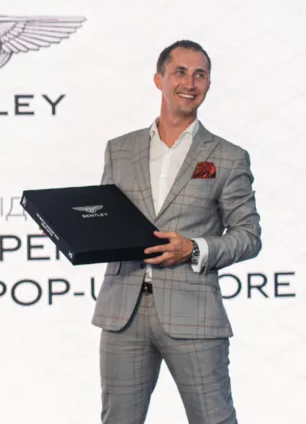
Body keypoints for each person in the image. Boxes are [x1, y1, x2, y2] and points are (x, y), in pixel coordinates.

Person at [92, 40, 261, 424]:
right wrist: (74, 230)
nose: (190, 82)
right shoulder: (119, 150)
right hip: (122, 313)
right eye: (180, 72)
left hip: (194, 313)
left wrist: (193, 248)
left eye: (200, 74)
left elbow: (249, 234)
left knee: (214, 419)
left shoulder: (227, 156)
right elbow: (106, 219)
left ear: (208, 85)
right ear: (159, 79)